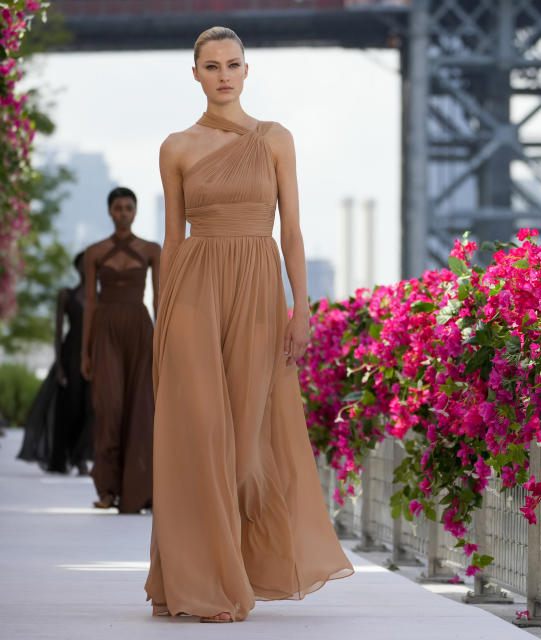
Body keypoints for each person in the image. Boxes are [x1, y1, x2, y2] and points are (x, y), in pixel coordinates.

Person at [144, 26, 354, 623]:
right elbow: (173, 238)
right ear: (195, 75)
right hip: (192, 294)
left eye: (233, 64)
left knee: (246, 448)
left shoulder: (276, 140)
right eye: (211, 66)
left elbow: (291, 230)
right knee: (201, 434)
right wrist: (162, 318)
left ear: (246, 69)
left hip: (260, 291)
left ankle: (233, 564)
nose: (223, 75)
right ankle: (200, 582)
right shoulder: (176, 147)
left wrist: (302, 307)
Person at [81, 188, 160, 512]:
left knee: (142, 408)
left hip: (141, 330)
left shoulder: (153, 250)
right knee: (108, 407)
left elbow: (159, 299)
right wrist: (85, 352)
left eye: (129, 207)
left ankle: (141, 490)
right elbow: (89, 303)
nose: (124, 212)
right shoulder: (95, 252)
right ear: (110, 212)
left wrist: (162, 342)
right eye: (118, 207)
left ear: (136, 211)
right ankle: (108, 489)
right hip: (106, 328)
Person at [17, 251, 95, 474]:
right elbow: (58, 332)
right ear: (76, 267)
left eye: (90, 264)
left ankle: (82, 458)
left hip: (93, 357)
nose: (85, 268)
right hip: (70, 356)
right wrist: (59, 365)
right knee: (68, 409)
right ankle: (63, 458)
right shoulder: (66, 295)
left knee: (90, 409)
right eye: (82, 264)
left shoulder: (100, 297)